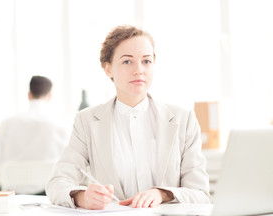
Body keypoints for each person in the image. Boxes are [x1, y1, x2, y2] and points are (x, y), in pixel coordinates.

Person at [46, 25, 211, 209]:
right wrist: (82, 197)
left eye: (146, 61)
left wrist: (162, 194)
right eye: (127, 61)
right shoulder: (87, 121)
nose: (138, 70)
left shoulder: (183, 119)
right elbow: (57, 183)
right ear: (108, 69)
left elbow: (201, 194)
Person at [0, 75, 69, 194]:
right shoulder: (60, 124)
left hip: (11, 190)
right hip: (47, 191)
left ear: (29, 95)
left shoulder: (6, 123)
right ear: (50, 96)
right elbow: (66, 161)